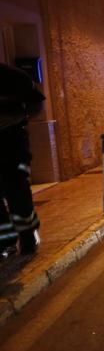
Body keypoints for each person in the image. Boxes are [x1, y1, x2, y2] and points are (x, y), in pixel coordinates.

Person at [0, 62, 46, 254]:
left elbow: (37, 104)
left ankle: (28, 236)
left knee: (18, 192)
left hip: (13, 145)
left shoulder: (13, 76)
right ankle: (6, 241)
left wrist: (13, 119)